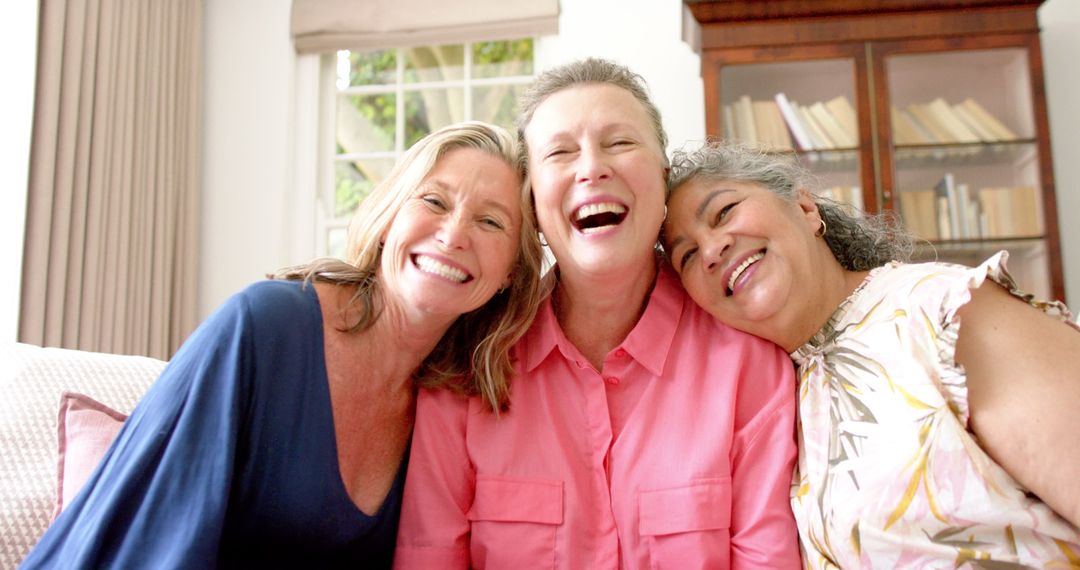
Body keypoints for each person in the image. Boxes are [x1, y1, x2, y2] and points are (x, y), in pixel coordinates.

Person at [20, 121, 545, 569]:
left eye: (490, 221)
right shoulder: (264, 327)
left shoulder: (452, 405)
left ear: (510, 274)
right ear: (389, 219)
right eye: (433, 200)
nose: (454, 235)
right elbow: (153, 539)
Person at [394, 59, 801, 569]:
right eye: (560, 152)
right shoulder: (466, 368)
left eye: (620, 142)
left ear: (663, 181)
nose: (592, 168)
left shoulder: (749, 364)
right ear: (532, 205)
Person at [661, 140, 1080, 568]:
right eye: (687, 255)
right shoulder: (772, 399)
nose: (711, 251)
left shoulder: (940, 310)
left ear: (805, 209)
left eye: (724, 212)